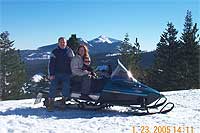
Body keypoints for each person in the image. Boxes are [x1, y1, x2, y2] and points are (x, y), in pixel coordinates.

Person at [48, 37, 74, 111]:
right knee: (53, 86)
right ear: (58, 43)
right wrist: (51, 74)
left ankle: (63, 102)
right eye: (61, 42)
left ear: (66, 43)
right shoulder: (55, 51)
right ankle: (51, 102)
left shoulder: (69, 51)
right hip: (56, 73)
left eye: (64, 42)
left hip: (67, 73)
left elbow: (73, 62)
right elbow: (51, 64)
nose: (63, 43)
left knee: (66, 86)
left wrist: (73, 72)